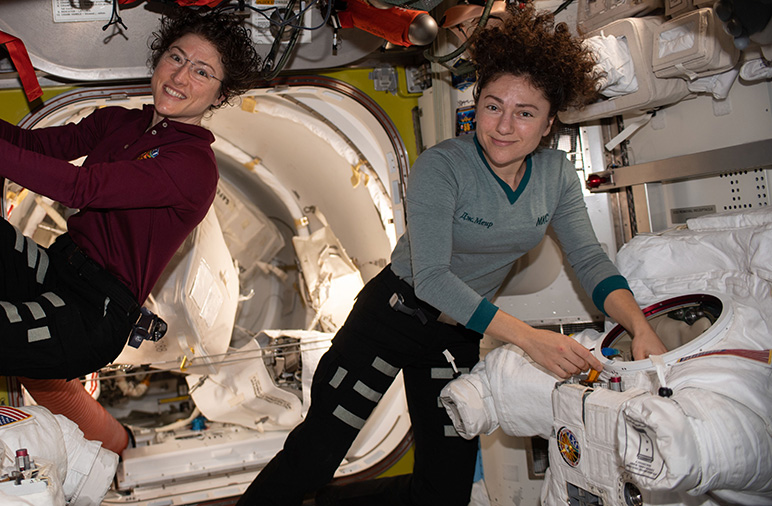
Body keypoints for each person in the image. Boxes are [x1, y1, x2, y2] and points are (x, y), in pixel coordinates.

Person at [237, 5, 668, 506]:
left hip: (455, 335)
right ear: (477, 104)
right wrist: (530, 340)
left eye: (525, 113)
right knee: (314, 457)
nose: (504, 126)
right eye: (492, 105)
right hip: (392, 317)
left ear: (550, 123)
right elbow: (433, 280)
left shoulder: (555, 176)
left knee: (446, 488)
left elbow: (591, 262)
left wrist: (641, 327)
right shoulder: (443, 166)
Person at [0, 6, 261, 409]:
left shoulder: (193, 166)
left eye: (202, 71)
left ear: (222, 93)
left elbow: (82, 188)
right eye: (176, 57)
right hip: (55, 269)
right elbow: (37, 146)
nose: (180, 76)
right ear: (160, 57)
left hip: (91, 316)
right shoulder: (121, 123)